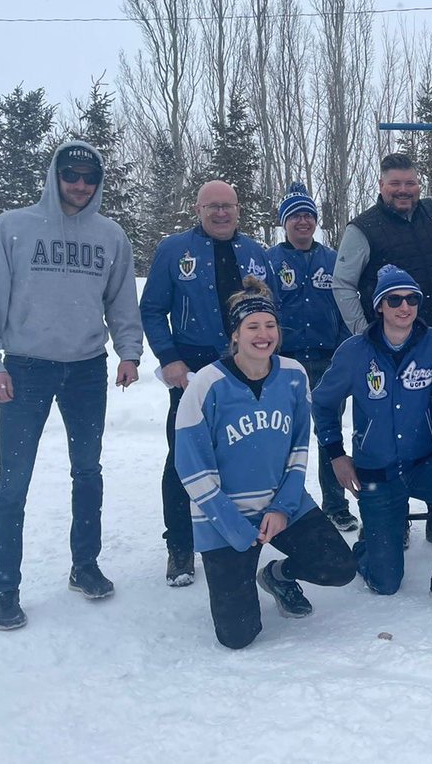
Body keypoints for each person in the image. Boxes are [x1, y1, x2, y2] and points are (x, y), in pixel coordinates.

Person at [0, 140, 143, 630]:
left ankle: (84, 566)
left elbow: (122, 301)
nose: (81, 186)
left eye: (89, 177)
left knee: (88, 471)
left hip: (86, 369)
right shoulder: (13, 228)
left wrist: (129, 352)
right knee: (13, 480)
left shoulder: (111, 236)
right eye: (72, 176)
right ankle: (6, 588)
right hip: (25, 368)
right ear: (55, 175)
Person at [175, 277, 356, 649]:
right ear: (235, 335)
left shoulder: (293, 375)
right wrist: (236, 528)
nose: (263, 334)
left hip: (280, 507)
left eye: (270, 326)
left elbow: (298, 452)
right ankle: (237, 576)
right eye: (252, 327)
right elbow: (192, 468)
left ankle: (277, 575)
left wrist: (283, 508)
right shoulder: (207, 384)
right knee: (237, 637)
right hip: (225, 519)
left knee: (340, 567)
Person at [312, 265, 432, 613]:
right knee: (385, 583)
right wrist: (335, 453)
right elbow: (323, 403)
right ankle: (371, 547)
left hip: (422, 463)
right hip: (376, 473)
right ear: (379, 306)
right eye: (394, 299)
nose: (404, 307)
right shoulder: (354, 352)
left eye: (411, 299)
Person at [333, 152, 432, 546]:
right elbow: (342, 284)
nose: (403, 190)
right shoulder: (363, 228)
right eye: (395, 183)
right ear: (381, 185)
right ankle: (391, 515)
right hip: (388, 350)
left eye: (410, 183)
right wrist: (366, 333)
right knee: (393, 428)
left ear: (419, 184)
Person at [141, 180, 276, 587]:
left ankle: (234, 535)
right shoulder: (174, 250)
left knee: (239, 451)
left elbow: (271, 311)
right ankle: (180, 545)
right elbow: (151, 309)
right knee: (184, 458)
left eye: (228, 206)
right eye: (212, 206)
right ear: (197, 210)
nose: (221, 213)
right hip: (193, 370)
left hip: (243, 365)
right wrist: (170, 359)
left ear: (238, 209)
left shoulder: (255, 253)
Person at [266, 182, 356, 533]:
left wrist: (344, 353)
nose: (302, 222)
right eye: (295, 216)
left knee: (329, 435)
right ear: (284, 223)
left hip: (326, 361)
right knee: (283, 436)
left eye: (308, 215)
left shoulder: (333, 260)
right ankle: (282, 506)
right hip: (283, 363)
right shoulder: (270, 261)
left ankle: (336, 505)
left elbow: (347, 309)